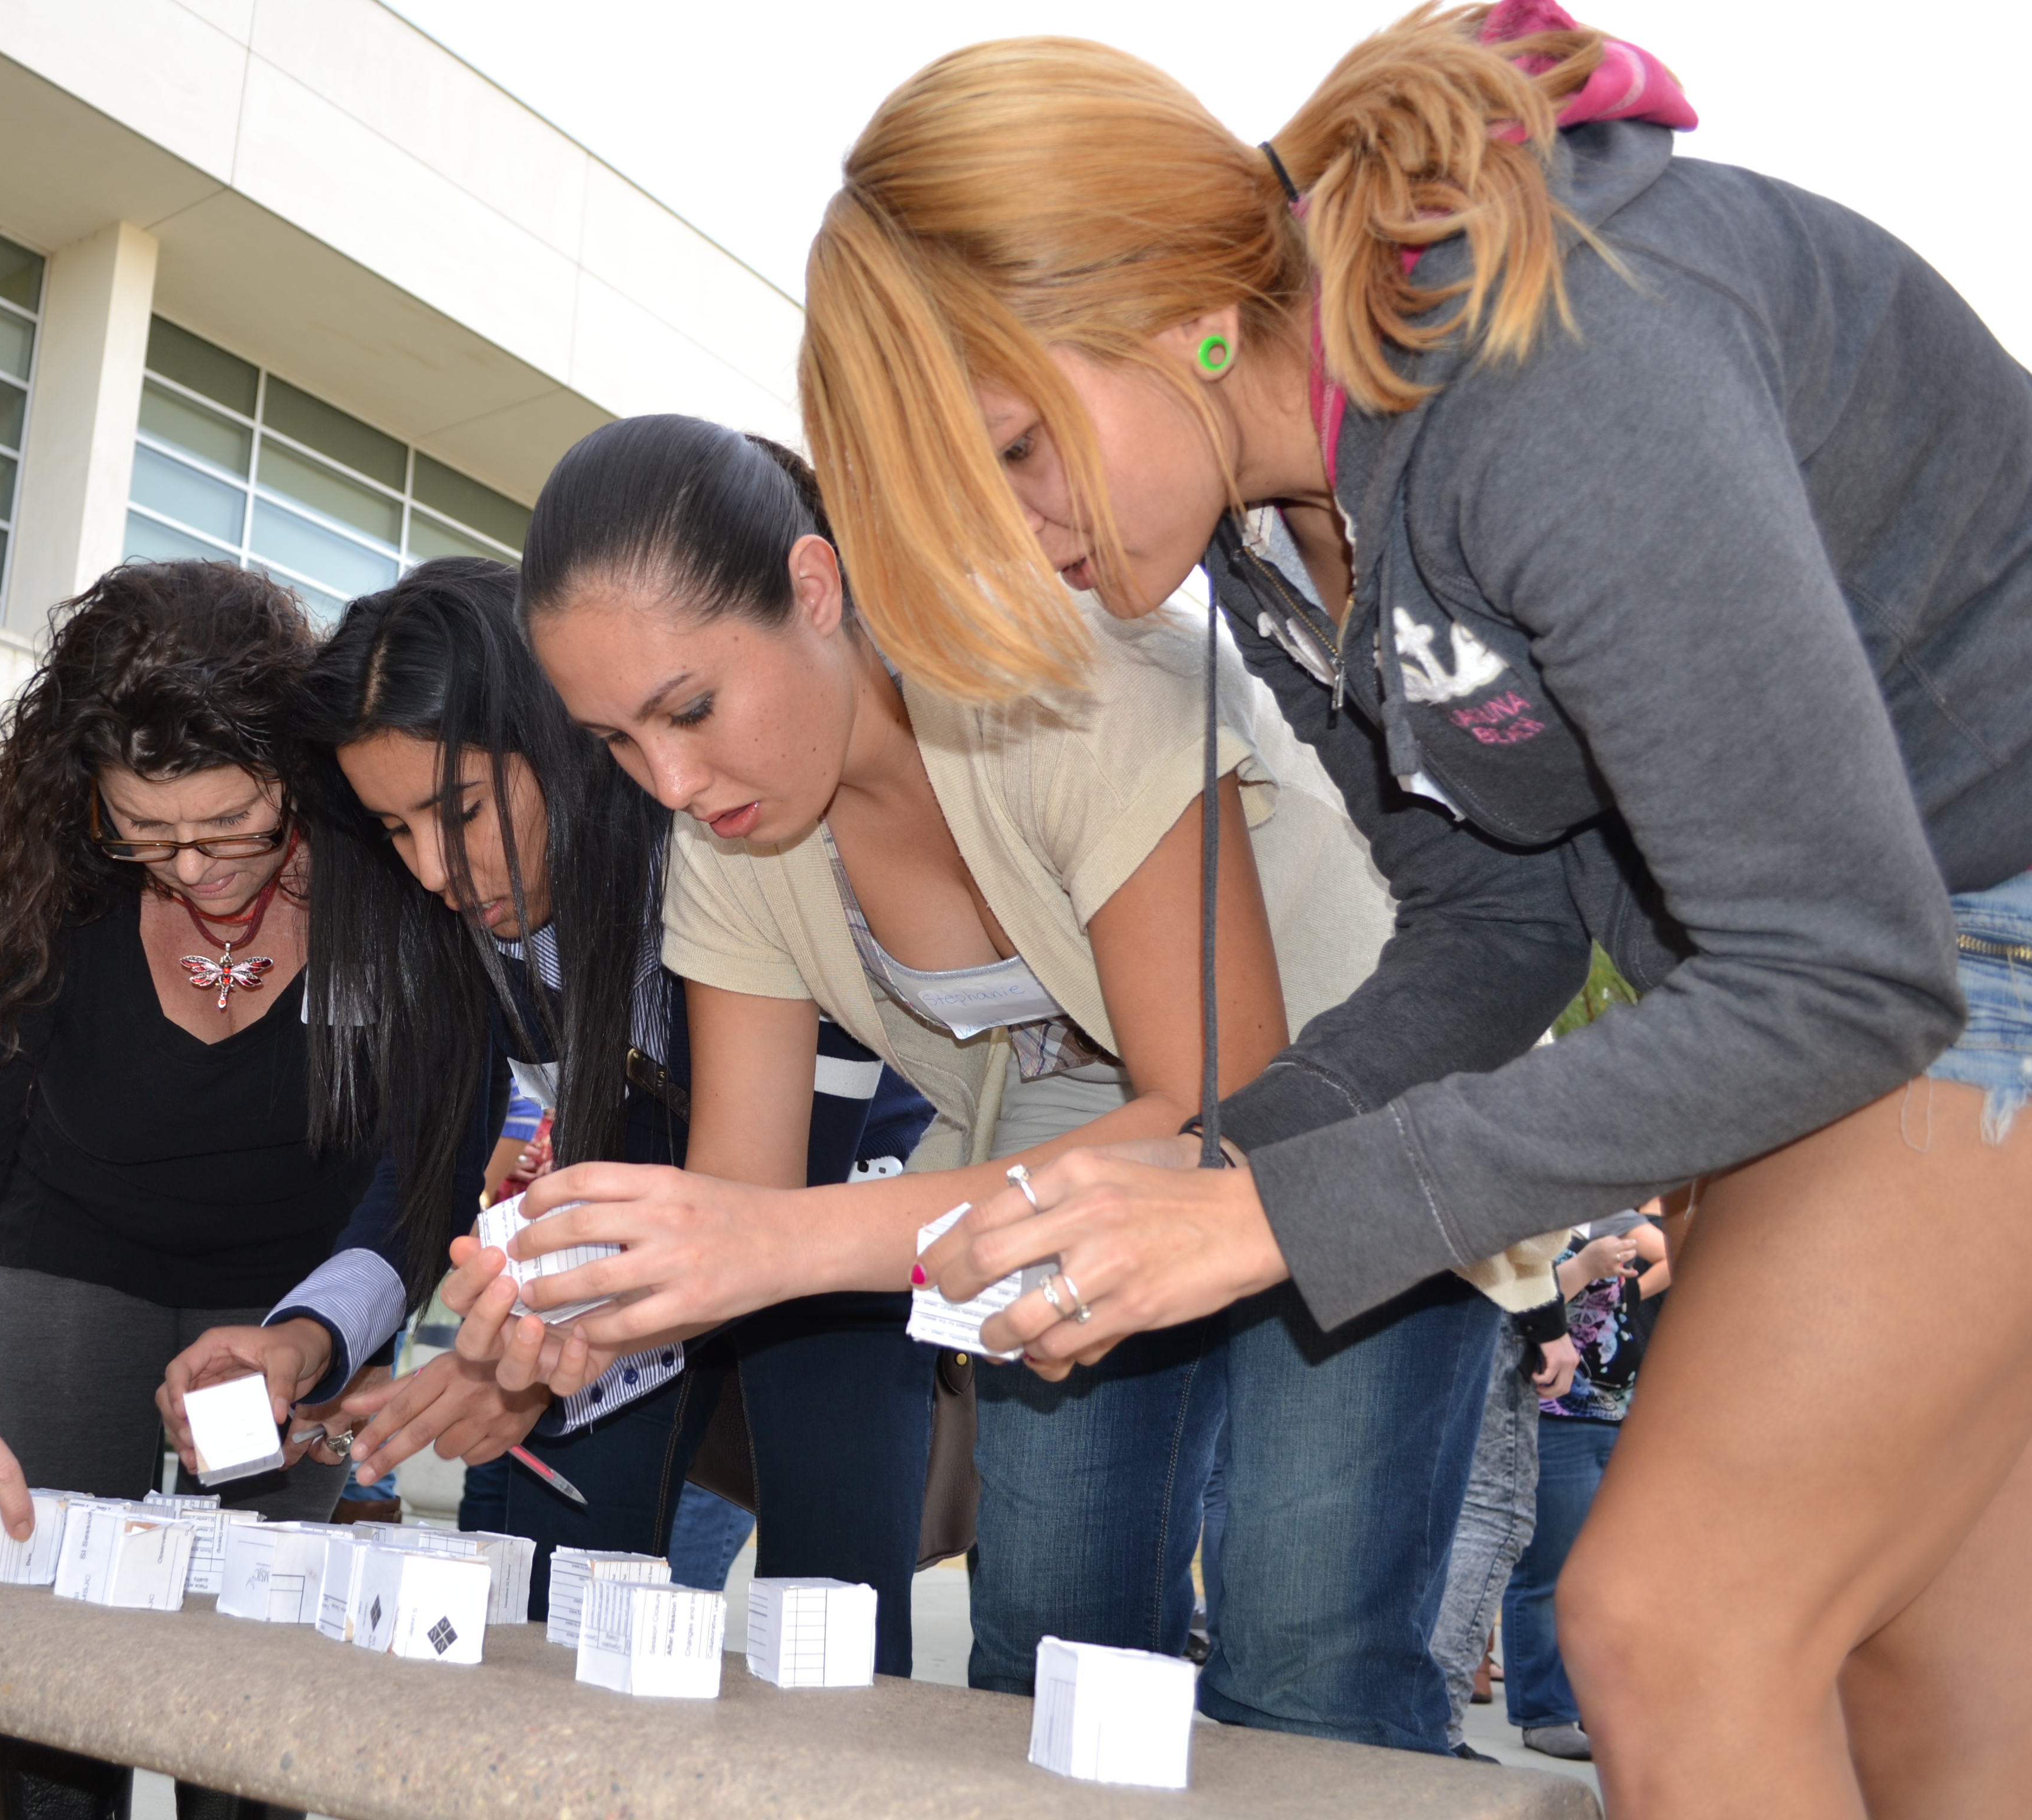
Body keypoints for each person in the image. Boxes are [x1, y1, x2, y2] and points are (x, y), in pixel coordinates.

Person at [778, 5, 2031, 1812]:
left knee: (1674, 1624)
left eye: (1020, 456)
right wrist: (1210, 1169)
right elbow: (1491, 929)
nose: (1019, 541)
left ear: (1178, 304)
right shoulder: (1269, 525)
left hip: (1953, 918)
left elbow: (1843, 967)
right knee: (1916, 1681)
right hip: (1876, 957)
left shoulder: (1555, 384)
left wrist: (1277, 1210)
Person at [460, 415, 1555, 1745]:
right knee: (1048, 1649)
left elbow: (1226, 1108)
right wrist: (587, 1312)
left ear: (816, 590)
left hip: (1348, 1107)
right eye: (617, 743)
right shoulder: (731, 842)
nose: (674, 780)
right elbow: (743, 1200)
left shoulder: (1067, 689)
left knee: (1304, 1665)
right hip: (1076, 1155)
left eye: (690, 707)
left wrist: (752, 1241)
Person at [184, 555, 939, 1667]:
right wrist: (308, 1338)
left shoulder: (724, 859)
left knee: (834, 1632)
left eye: (463, 810)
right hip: (609, 1291)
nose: (438, 870)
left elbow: (764, 1190)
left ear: (564, 740)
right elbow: (424, 1169)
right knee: (540, 1607)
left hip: (829, 1252)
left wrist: (537, 1356)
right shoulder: (462, 931)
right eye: (396, 830)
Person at [0, 559, 367, 1820]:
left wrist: (332, 1333)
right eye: (145, 831)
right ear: (83, 800)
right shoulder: (25, 885)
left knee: (252, 1681)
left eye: (236, 824)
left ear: (302, 774)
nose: (196, 868)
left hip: (296, 1299)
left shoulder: (382, 877)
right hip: (69, 1261)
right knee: (55, 1658)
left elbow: (426, 1156)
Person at [1506, 1214, 1669, 1761]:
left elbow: (1676, 1253)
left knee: (1599, 1571)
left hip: (1615, 1413)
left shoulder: (1617, 1213)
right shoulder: (1539, 1215)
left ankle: (1582, 1703)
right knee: (1547, 1569)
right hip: (1558, 1413)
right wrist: (1586, 1266)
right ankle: (1544, 1713)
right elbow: (1525, 1306)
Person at [1426, 1283, 1578, 1756]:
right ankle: (1433, 1728)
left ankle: (1393, 1716)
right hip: (1486, 1299)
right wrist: (1548, 1325)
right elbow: (1515, 1234)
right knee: (1493, 1515)